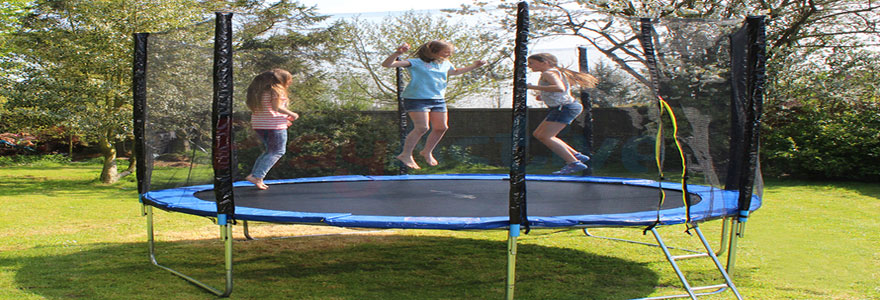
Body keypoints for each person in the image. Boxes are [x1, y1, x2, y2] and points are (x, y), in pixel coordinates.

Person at [381, 40, 486, 169]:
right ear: (434, 51)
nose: (449, 54)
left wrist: (474, 66)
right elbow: (387, 64)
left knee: (441, 127)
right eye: (446, 52)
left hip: (438, 99)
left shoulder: (445, 63)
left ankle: (427, 151)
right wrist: (397, 53)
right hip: (417, 98)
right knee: (422, 127)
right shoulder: (416, 62)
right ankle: (406, 154)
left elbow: (456, 71)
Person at [526, 53, 598, 175]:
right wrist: (543, 96)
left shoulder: (548, 73)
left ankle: (573, 162)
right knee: (538, 134)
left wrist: (531, 87)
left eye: (532, 63)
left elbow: (559, 88)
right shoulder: (553, 72)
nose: (529, 66)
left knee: (546, 136)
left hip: (564, 108)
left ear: (545, 62)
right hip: (562, 107)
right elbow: (560, 91)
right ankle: (576, 155)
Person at [244, 69, 299, 190]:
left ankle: (256, 177)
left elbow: (268, 110)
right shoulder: (277, 90)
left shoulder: (260, 92)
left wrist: (285, 118)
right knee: (278, 151)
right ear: (282, 80)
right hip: (274, 126)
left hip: (259, 125)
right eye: (289, 80)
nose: (290, 82)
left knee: (269, 151)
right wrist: (293, 114)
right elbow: (276, 107)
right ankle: (257, 176)